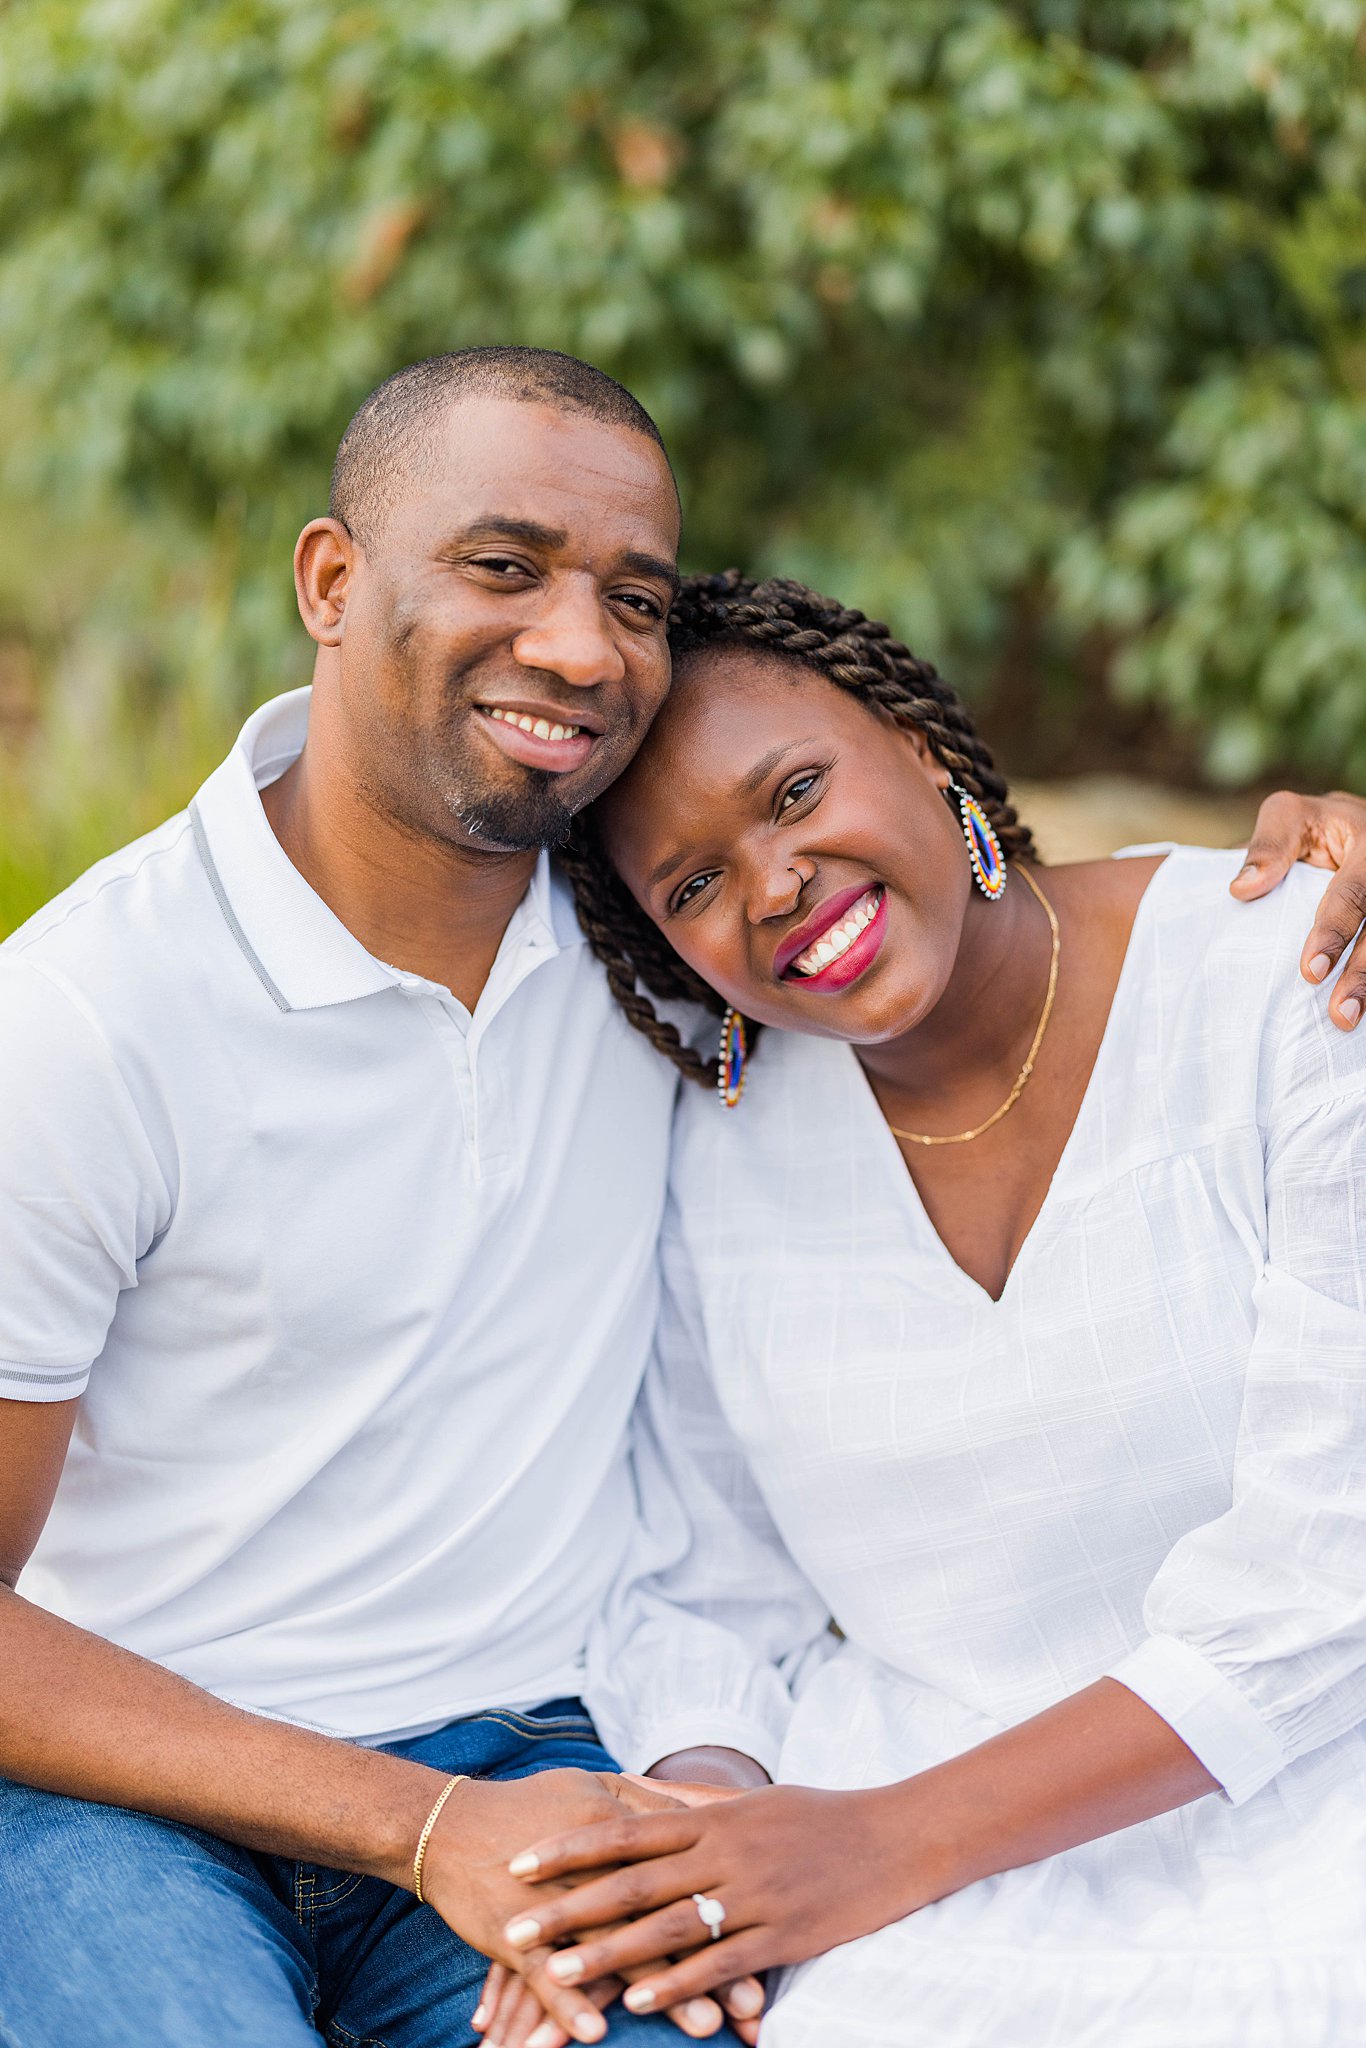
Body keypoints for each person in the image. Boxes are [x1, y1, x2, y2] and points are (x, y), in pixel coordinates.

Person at [0, 352, 772, 2048]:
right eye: (504, 568)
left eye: (632, 598)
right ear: (332, 583)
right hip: (118, 1800)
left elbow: (944, 904)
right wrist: (426, 1834)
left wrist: (1280, 876)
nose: (578, 648)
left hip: (539, 1749)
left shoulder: (675, 939)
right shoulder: (84, 1017)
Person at [481, 571, 1366, 2048]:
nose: (770, 886)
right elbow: (704, 1579)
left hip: (1305, 1805)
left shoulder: (1293, 983)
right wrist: (688, 1844)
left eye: (795, 791)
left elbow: (1317, 1591)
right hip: (921, 1873)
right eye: (690, 885)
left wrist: (864, 1850)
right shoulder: (722, 1152)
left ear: (925, 747)